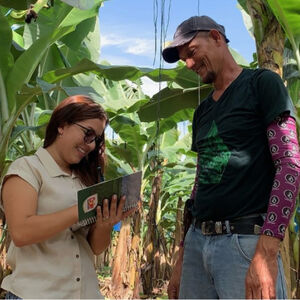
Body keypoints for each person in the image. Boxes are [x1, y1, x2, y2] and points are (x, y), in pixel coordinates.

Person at [162, 16, 300, 299]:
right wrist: (183, 253)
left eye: (191, 52)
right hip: (197, 243)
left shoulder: (262, 84)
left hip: (245, 241)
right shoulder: (202, 112)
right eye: (182, 59)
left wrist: (267, 250)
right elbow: (200, 185)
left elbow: (289, 165)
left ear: (215, 37)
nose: (188, 64)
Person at [0, 95, 136, 299]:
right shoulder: (27, 168)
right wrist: (82, 208)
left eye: (96, 139)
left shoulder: (84, 178)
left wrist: (106, 223)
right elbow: (21, 232)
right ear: (62, 125)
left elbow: (95, 248)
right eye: (87, 134)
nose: (90, 145)